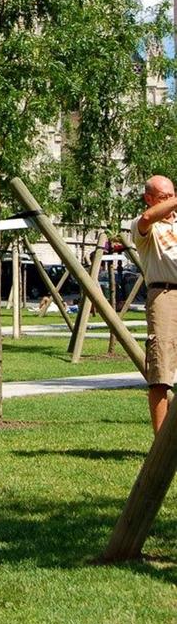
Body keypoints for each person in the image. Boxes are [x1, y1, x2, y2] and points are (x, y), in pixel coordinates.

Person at [132, 174, 177, 433]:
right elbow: (148, 219)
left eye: (172, 195)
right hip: (164, 296)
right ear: (149, 199)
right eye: (164, 198)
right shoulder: (143, 226)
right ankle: (160, 444)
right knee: (160, 372)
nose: (170, 202)